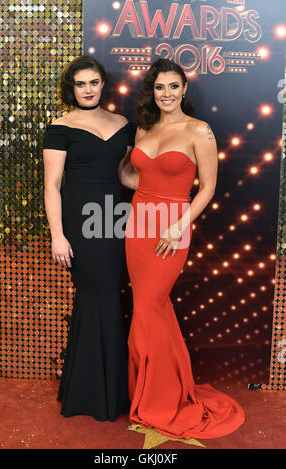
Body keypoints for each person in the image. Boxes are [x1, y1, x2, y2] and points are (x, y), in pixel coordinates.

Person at [118, 58, 245, 439]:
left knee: (148, 306)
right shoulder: (145, 126)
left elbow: (207, 187)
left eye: (174, 86)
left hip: (173, 228)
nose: (167, 94)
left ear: (184, 89)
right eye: (160, 87)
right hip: (139, 224)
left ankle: (158, 401)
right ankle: (160, 391)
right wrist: (117, 167)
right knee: (151, 307)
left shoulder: (199, 130)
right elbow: (133, 176)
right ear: (151, 91)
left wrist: (178, 226)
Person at [42, 55, 134, 420]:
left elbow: (127, 176)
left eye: (93, 82)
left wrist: (168, 193)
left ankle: (94, 391)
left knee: (110, 294)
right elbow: (51, 186)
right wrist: (57, 236)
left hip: (115, 218)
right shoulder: (60, 127)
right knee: (97, 295)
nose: (88, 89)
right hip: (80, 221)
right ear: (72, 88)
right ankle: (98, 396)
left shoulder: (123, 124)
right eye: (80, 84)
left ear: (102, 84)